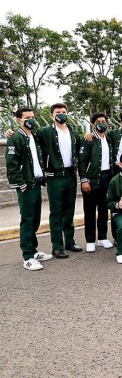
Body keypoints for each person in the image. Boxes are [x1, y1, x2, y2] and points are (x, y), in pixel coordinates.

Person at [6, 107, 53, 270]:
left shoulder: (33, 136)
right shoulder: (16, 137)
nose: (31, 120)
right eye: (27, 117)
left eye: (32, 117)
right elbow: (11, 165)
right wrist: (21, 184)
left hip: (36, 183)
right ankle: (27, 257)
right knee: (27, 220)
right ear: (19, 120)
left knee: (35, 219)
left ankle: (33, 251)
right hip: (26, 186)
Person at [36, 103, 82, 257]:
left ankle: (69, 241)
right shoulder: (44, 132)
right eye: (58, 112)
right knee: (56, 212)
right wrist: (10, 133)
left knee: (69, 210)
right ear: (51, 115)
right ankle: (57, 246)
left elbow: (81, 148)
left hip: (70, 175)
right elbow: (28, 139)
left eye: (64, 112)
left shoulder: (73, 132)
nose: (61, 114)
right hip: (54, 176)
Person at [78, 112, 114, 252]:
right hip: (91, 180)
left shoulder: (109, 139)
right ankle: (90, 240)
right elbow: (81, 162)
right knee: (90, 210)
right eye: (98, 121)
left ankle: (103, 238)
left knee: (104, 209)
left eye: (104, 121)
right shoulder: (88, 140)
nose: (101, 123)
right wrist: (84, 180)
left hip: (106, 178)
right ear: (93, 124)